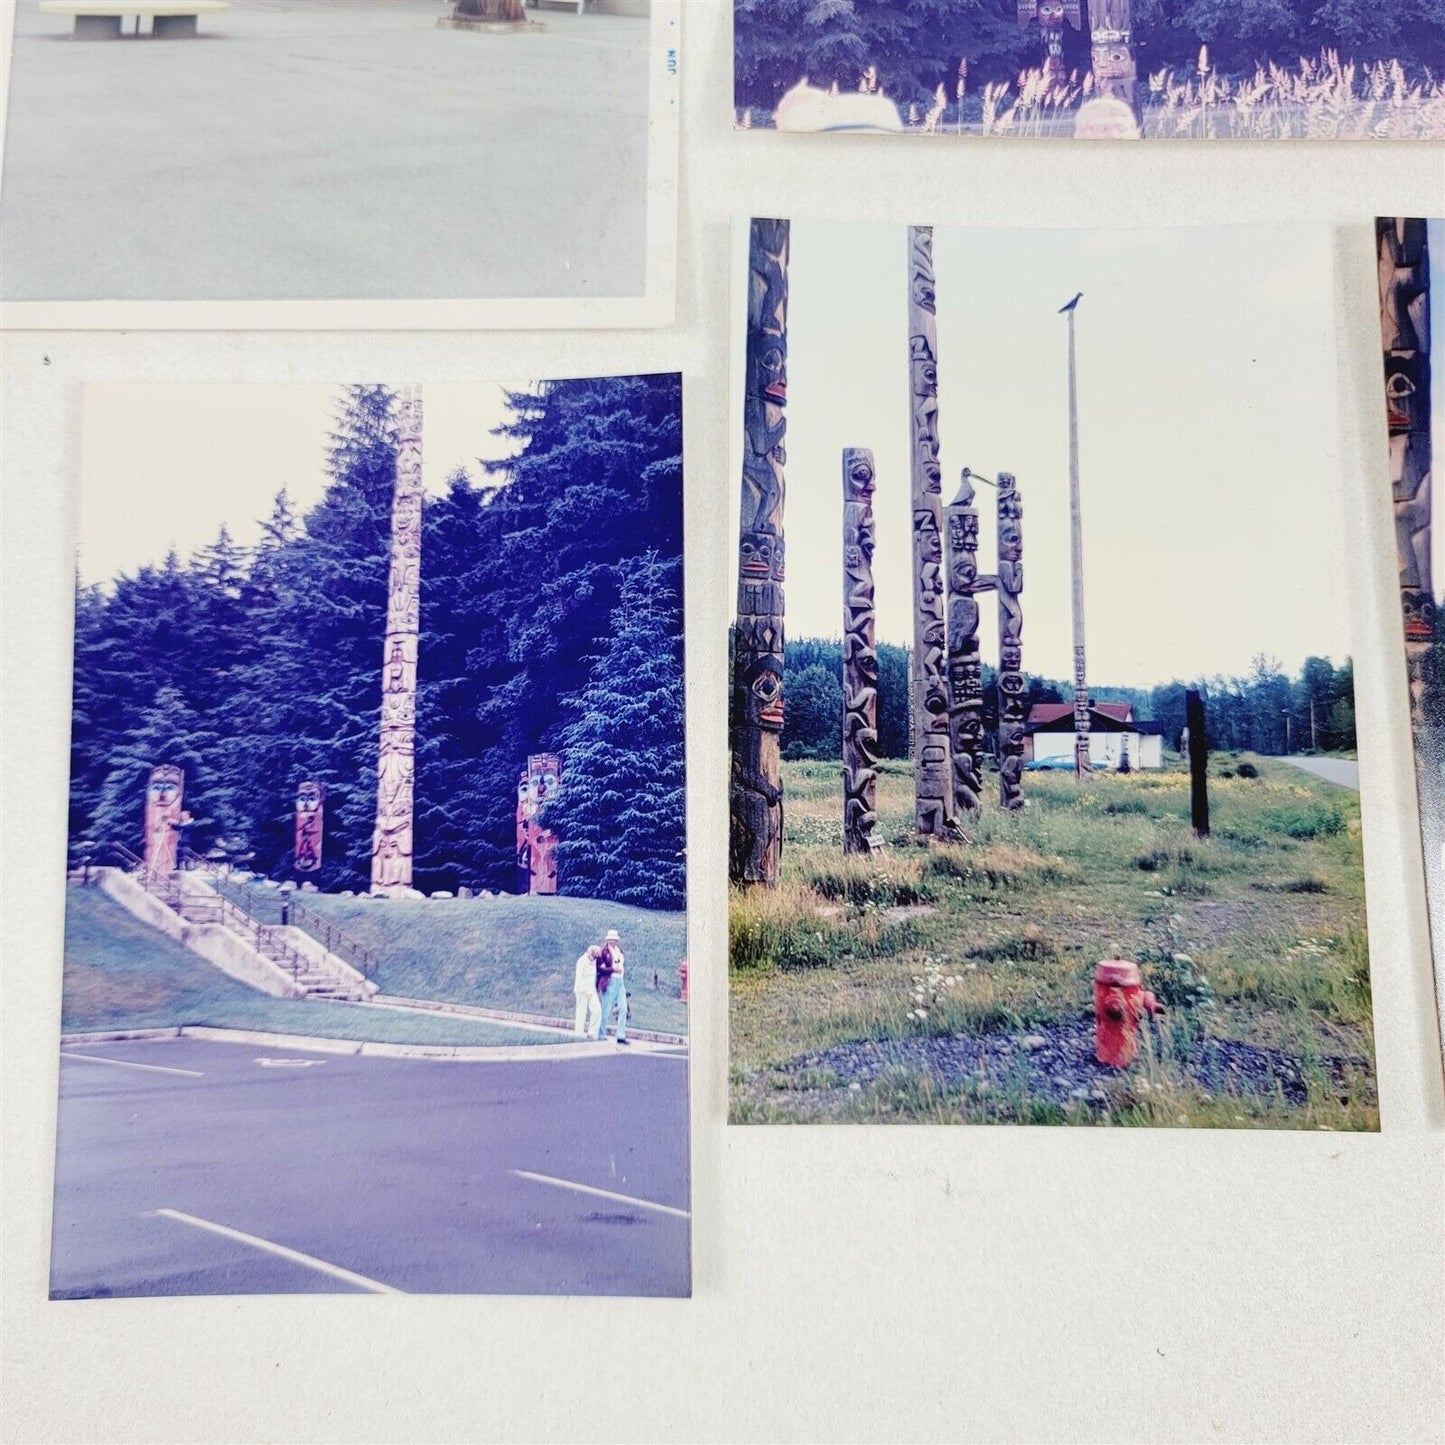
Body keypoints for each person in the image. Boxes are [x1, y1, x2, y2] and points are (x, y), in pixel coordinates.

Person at [595, 927, 628, 1045]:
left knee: (623, 1007)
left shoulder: (619, 951)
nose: (613, 941)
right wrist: (613, 969)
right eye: (611, 939)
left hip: (620, 981)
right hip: (610, 980)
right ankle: (601, 1034)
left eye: (615, 939)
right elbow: (600, 969)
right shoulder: (604, 952)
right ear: (608, 939)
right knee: (606, 1009)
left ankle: (620, 1035)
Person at [574, 945, 602, 1040]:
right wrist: (583, 990)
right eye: (595, 955)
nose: (596, 958)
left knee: (597, 1010)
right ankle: (579, 1033)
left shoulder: (594, 961)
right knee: (581, 1011)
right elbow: (579, 977)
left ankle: (592, 1033)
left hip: (591, 989)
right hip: (581, 990)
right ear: (591, 953)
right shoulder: (582, 961)